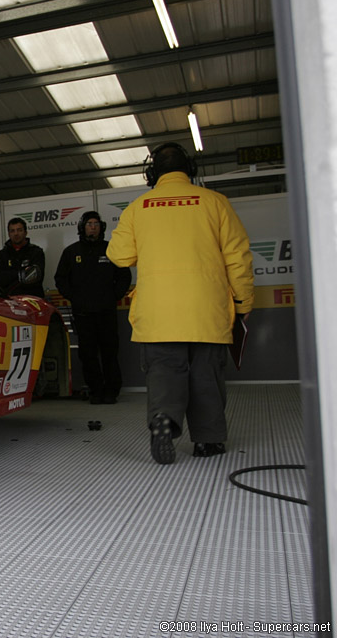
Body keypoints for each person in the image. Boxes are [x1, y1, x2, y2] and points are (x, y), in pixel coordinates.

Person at [107, 142, 254, 464]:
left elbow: (118, 256)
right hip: (208, 308)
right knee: (206, 375)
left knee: (163, 371)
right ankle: (208, 441)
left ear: (151, 173)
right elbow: (238, 258)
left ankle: (164, 419)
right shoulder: (216, 203)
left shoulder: (138, 207)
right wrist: (243, 302)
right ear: (190, 169)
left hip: (158, 312)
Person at [54, 211, 132, 405]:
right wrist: (74, 297)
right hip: (83, 313)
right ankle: (95, 390)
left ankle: (111, 391)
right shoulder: (71, 252)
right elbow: (60, 279)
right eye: (89, 223)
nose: (93, 227)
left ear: (102, 227)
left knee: (109, 352)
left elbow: (124, 276)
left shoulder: (111, 249)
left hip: (106, 311)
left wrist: (113, 296)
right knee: (87, 354)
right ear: (82, 227)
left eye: (96, 223)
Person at [0, 217, 45, 298]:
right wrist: (20, 274)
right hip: (9, 300)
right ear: (9, 234)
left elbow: (35, 278)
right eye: (12, 231)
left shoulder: (36, 252)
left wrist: (9, 275)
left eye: (19, 230)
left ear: (25, 232)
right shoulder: (1, 255)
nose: (16, 233)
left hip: (32, 299)